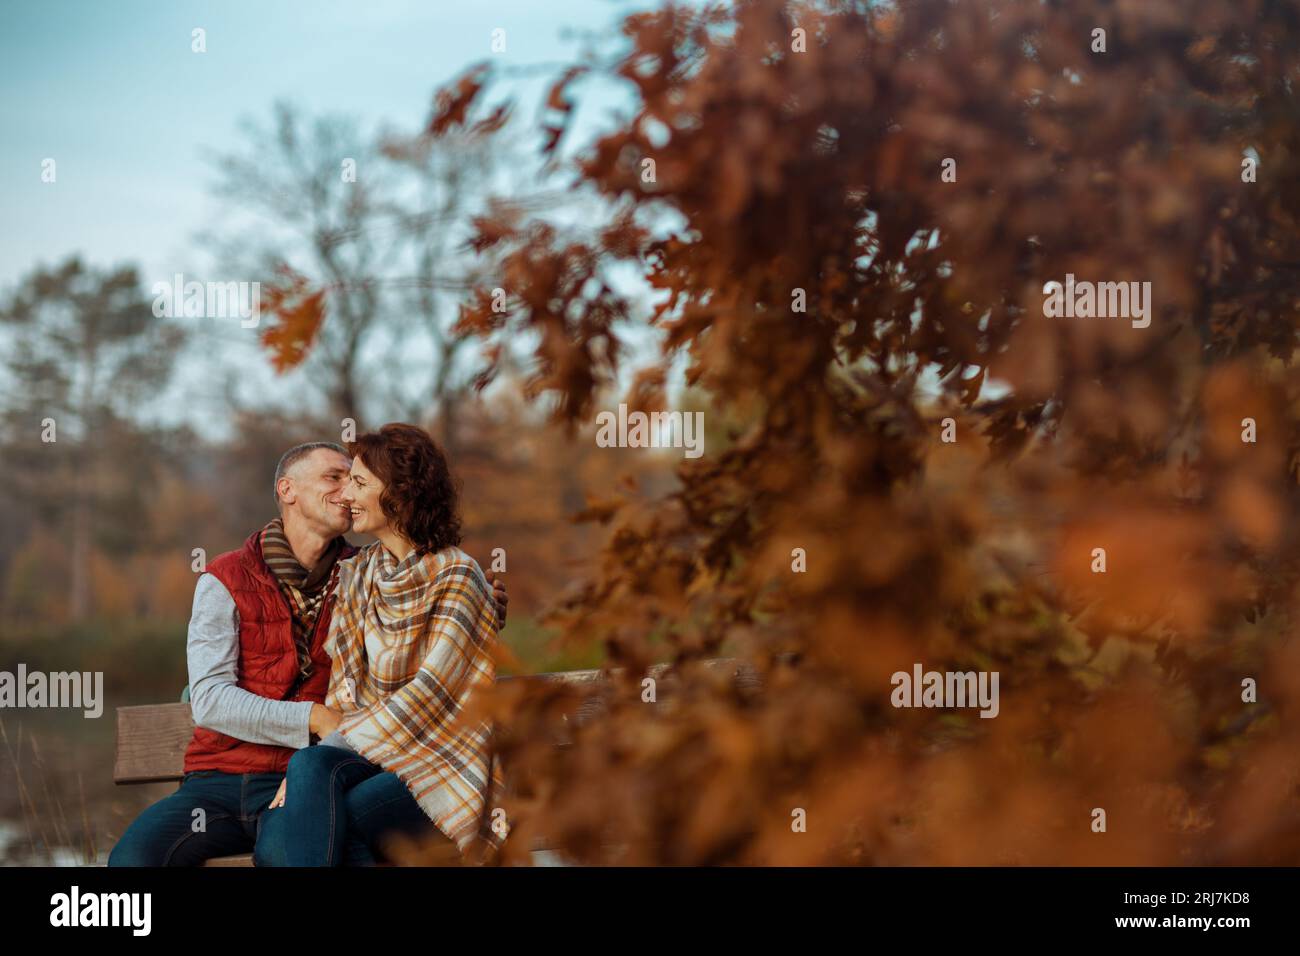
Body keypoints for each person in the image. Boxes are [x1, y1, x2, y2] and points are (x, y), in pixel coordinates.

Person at [107, 440, 507, 866]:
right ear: (287, 490)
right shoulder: (225, 578)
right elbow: (209, 700)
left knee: (291, 851)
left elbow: (421, 606)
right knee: (133, 859)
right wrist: (314, 718)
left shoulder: (362, 574)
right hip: (219, 781)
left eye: (353, 480)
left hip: (315, 779)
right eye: (334, 478)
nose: (346, 491)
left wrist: (484, 606)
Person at [253, 423, 507, 866]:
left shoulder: (458, 577)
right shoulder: (360, 575)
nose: (346, 496)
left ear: (401, 493)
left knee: (317, 824)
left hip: (441, 760)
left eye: (359, 483)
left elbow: (426, 698)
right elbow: (345, 691)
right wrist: (308, 770)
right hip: (375, 756)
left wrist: (329, 753)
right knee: (286, 824)